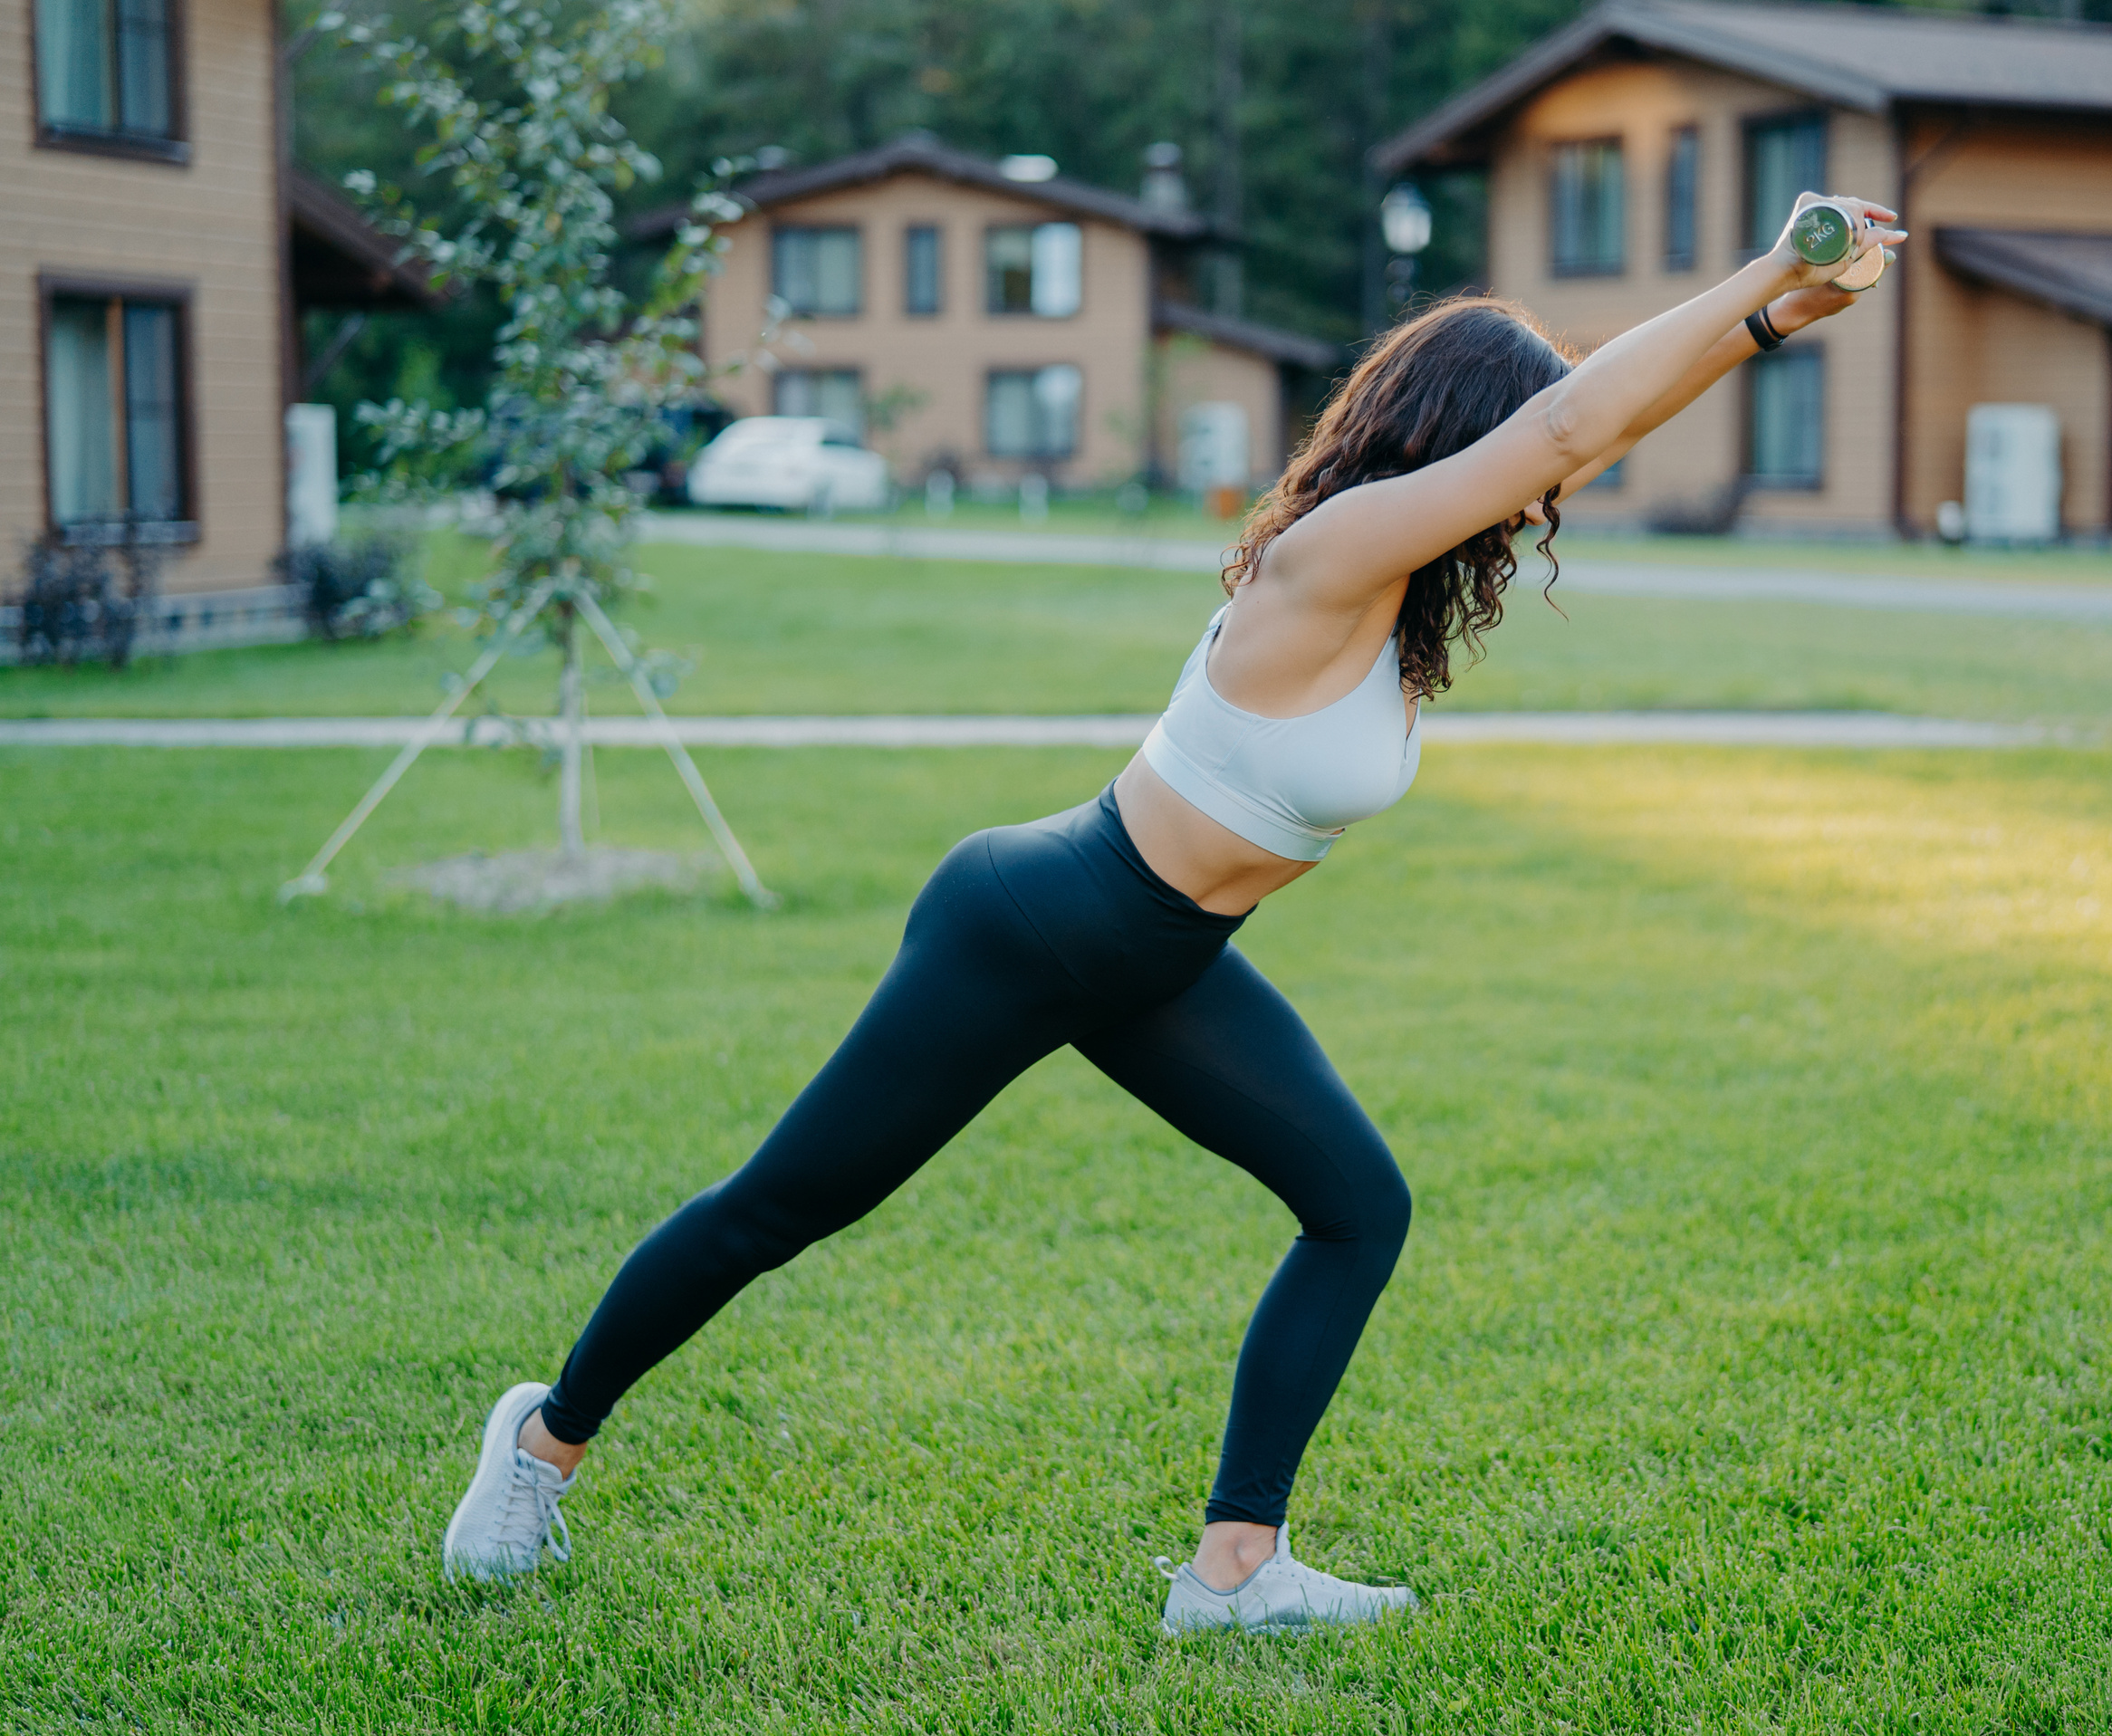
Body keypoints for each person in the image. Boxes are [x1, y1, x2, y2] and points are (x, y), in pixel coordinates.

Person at [441, 190, 1905, 1633]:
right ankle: (541, 1442)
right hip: (1031, 923)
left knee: (1356, 1206)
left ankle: (1234, 1569)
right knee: (783, 1209)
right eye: (1517, 460)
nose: (1544, 496)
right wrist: (1765, 269)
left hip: (1161, 961)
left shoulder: (1398, 613)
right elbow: (1577, 423)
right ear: (1451, 438)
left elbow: (1588, 429)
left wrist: (1772, 321)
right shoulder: (1326, 560)